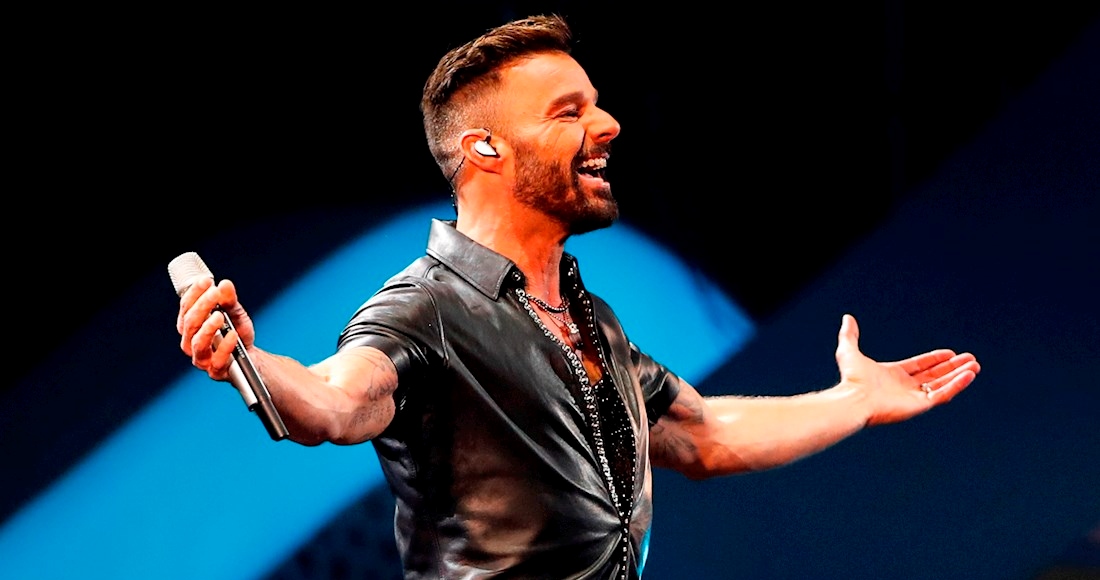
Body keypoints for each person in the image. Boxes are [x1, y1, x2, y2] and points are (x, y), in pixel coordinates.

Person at [175, 14, 981, 580]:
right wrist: (252, 363)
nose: (610, 125)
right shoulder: (424, 309)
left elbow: (701, 434)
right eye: (570, 112)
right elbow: (335, 401)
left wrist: (853, 400)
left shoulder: (590, 321)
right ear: (486, 148)